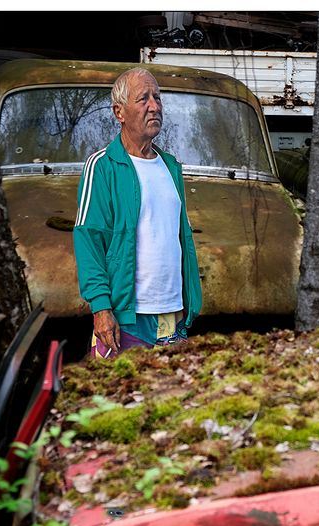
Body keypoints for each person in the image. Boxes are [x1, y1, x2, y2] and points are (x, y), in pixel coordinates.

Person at [73, 67, 202, 358]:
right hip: (124, 317)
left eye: (157, 97)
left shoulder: (170, 166)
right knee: (117, 397)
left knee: (166, 399)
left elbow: (179, 238)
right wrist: (101, 308)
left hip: (171, 314)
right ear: (119, 112)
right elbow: (88, 240)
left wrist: (188, 301)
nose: (154, 106)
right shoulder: (103, 166)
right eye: (143, 99)